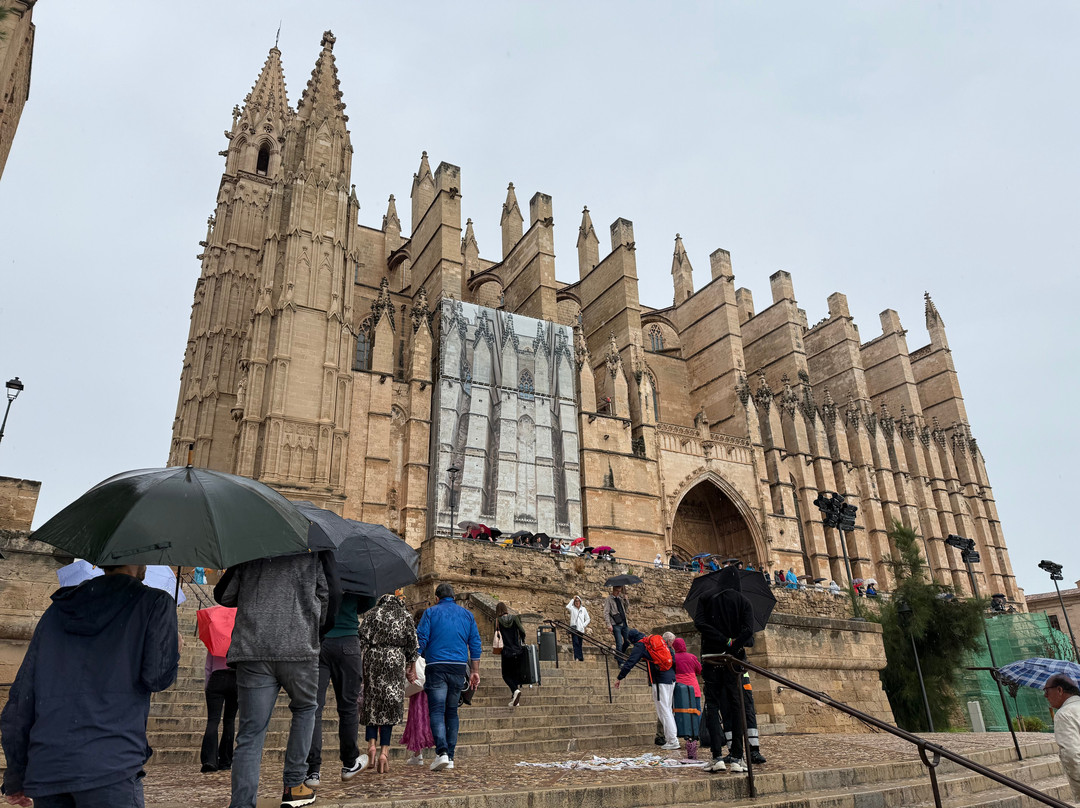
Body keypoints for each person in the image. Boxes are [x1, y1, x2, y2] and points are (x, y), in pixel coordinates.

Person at [1, 564, 179, 808]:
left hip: (49, 765)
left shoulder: (56, 611)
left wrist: (16, 774)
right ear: (137, 560)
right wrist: (172, 649)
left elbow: (21, 698)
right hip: (111, 763)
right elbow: (157, 678)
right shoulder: (155, 602)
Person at [215, 551, 337, 808]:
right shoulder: (313, 550)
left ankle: (242, 803)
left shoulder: (253, 548)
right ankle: (294, 786)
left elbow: (224, 595)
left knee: (250, 732)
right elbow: (329, 595)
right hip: (299, 647)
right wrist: (314, 629)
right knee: (305, 709)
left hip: (254, 648)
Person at [304, 593, 372, 788]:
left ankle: (313, 770)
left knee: (314, 708)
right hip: (348, 640)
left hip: (321, 639)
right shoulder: (356, 571)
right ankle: (350, 763)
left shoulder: (321, 565)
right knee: (348, 707)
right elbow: (369, 601)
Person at [694, 565, 755, 774]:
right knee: (736, 706)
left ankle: (717, 757)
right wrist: (733, 644)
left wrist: (722, 640)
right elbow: (749, 631)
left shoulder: (705, 597)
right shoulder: (744, 601)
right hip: (732, 661)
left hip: (711, 658)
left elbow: (700, 623)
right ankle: (737, 758)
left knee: (712, 706)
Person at [416, 583, 482, 771]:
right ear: (453, 597)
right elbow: (475, 643)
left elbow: (421, 639)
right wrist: (475, 671)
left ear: (437, 598)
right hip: (458, 667)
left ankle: (442, 752)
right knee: (452, 711)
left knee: (436, 710)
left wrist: (412, 664)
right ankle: (450, 756)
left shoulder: (430, 613)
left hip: (436, 665)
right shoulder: (467, 615)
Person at [359, 594, 419, 774]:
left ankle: (371, 746)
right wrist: (411, 667)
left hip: (373, 660)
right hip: (395, 660)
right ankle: (384, 752)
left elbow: (361, 639)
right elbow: (412, 645)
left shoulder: (373, 614)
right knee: (389, 707)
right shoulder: (405, 615)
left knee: (372, 704)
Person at [614, 630, 679, 750]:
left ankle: (672, 740)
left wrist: (620, 677)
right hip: (670, 678)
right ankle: (672, 739)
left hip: (660, 680)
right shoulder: (656, 641)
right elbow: (672, 657)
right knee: (668, 710)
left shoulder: (642, 644)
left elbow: (631, 661)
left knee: (663, 711)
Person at [400, 608, 435, 766]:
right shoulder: (434, 631)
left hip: (419, 676)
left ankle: (417, 752)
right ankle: (438, 750)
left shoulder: (416, 635)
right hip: (433, 675)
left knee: (417, 714)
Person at [1044, 673, 1080, 802]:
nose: (1045, 696)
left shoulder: (1064, 714)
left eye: (1047, 690)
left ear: (1059, 690)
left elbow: (1071, 755)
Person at [201, 651, 238, 773]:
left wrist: (207, 686)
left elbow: (208, 667)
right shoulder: (239, 641)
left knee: (213, 720)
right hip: (235, 678)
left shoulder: (216, 641)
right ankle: (226, 760)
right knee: (229, 720)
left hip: (216, 677)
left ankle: (209, 760)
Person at [671, 637, 703, 759]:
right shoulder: (691, 657)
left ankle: (686, 734)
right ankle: (697, 734)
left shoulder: (674, 658)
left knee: (682, 713)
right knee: (697, 711)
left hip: (680, 690)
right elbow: (699, 670)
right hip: (694, 688)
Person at [495, 602, 527, 706]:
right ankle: (514, 699)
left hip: (506, 652)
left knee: (505, 675)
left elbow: (496, 635)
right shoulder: (515, 618)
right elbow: (522, 631)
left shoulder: (497, 621)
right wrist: (521, 640)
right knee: (515, 674)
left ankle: (515, 691)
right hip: (517, 650)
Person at [604, 585, 632, 655]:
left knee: (628, 641)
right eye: (617, 591)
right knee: (619, 642)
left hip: (624, 623)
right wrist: (609, 624)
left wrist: (626, 600)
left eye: (619, 591)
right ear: (613, 590)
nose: (618, 592)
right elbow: (606, 612)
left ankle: (619, 655)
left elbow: (625, 609)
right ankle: (620, 661)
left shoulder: (621, 598)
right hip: (615, 624)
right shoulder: (609, 599)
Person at [565, 596, 591, 662]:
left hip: (581, 629)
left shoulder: (583, 609)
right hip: (574, 629)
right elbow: (567, 606)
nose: (577, 602)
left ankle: (580, 658)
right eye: (575, 601)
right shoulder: (572, 608)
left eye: (578, 601)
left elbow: (588, 619)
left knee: (579, 643)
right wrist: (572, 599)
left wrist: (583, 625)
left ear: (580, 601)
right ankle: (577, 657)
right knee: (575, 642)